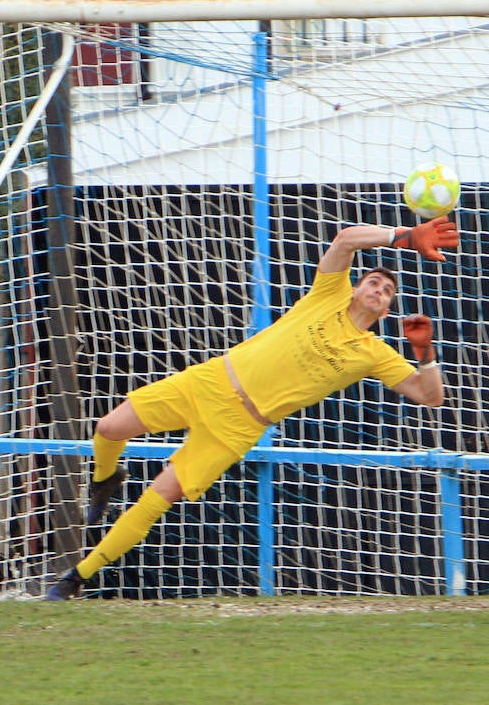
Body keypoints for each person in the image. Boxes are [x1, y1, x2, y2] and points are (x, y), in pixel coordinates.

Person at [44, 215, 460, 600]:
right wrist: (403, 236)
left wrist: (425, 355)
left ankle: (77, 576)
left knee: (157, 498)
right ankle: (105, 478)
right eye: (373, 282)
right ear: (356, 288)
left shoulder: (374, 353)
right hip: (211, 382)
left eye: (387, 291)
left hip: (240, 424)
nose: (379, 290)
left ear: (386, 309)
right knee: (109, 428)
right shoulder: (327, 295)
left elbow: (431, 396)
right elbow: (346, 239)